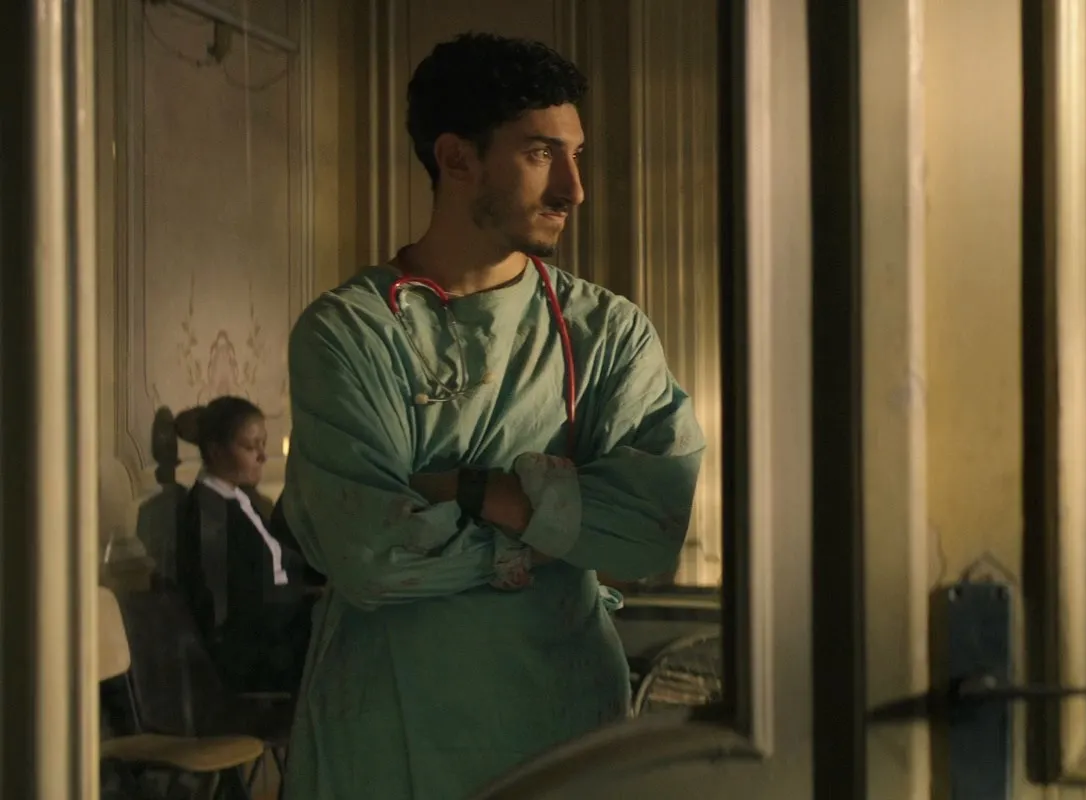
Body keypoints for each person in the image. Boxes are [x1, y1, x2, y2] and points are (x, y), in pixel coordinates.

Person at [279, 34, 705, 800]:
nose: (575, 188)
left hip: (564, 726)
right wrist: (556, 528)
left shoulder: (607, 334)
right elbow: (371, 555)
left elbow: (648, 534)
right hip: (391, 735)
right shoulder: (350, 332)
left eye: (577, 154)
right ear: (457, 158)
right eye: (542, 153)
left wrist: (476, 491)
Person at [170, 396, 318, 694]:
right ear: (216, 451)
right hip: (252, 655)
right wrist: (306, 603)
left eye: (263, 444)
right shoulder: (208, 515)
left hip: (278, 629)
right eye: (251, 447)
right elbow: (229, 611)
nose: (263, 456)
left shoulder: (239, 498)